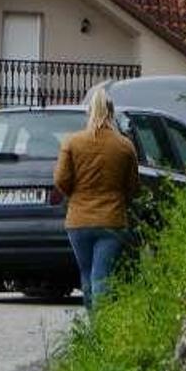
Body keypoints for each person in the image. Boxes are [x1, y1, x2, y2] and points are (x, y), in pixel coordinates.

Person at [54, 88, 139, 311]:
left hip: (78, 221)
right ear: (112, 114)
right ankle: (101, 333)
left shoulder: (72, 143)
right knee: (102, 276)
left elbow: (61, 180)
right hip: (112, 220)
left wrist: (76, 195)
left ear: (89, 113)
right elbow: (132, 187)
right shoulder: (125, 146)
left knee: (86, 273)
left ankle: (93, 331)